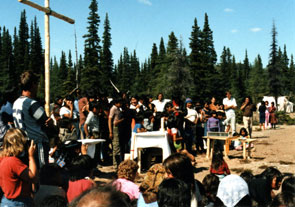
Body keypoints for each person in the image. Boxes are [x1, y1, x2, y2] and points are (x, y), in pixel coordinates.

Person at [13, 71, 51, 168]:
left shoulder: (16, 102)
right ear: (33, 84)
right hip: (36, 144)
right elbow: (45, 122)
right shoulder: (31, 104)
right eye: (37, 84)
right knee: (41, 173)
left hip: (23, 142)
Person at [0, 128, 38, 207]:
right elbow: (33, 177)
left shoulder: (3, 159)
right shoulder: (13, 161)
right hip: (18, 202)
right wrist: (31, 156)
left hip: (7, 200)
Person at [108, 98, 124, 169]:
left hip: (118, 128)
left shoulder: (118, 109)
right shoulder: (113, 109)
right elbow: (110, 120)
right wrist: (110, 131)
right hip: (114, 128)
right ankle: (115, 166)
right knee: (116, 147)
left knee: (118, 148)